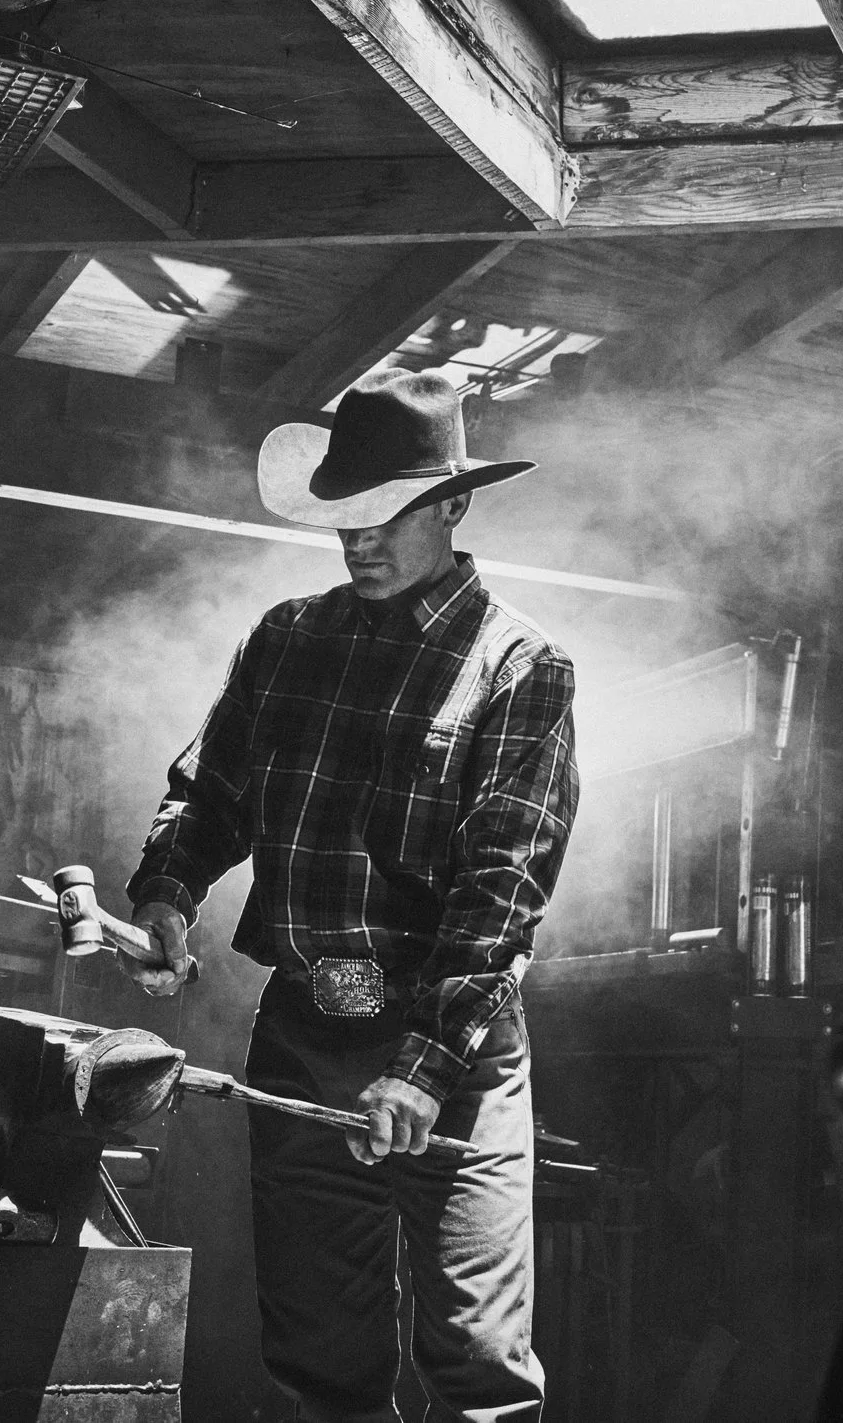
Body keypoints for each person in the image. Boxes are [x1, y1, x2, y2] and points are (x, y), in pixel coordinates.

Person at [122, 367, 578, 1423]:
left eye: (385, 514)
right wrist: (165, 894)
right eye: (345, 516)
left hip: (452, 1050)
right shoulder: (285, 638)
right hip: (305, 1036)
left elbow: (500, 890)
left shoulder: (520, 666)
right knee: (320, 1366)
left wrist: (422, 1068)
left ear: (454, 503)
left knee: (474, 1366)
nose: (357, 539)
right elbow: (209, 796)